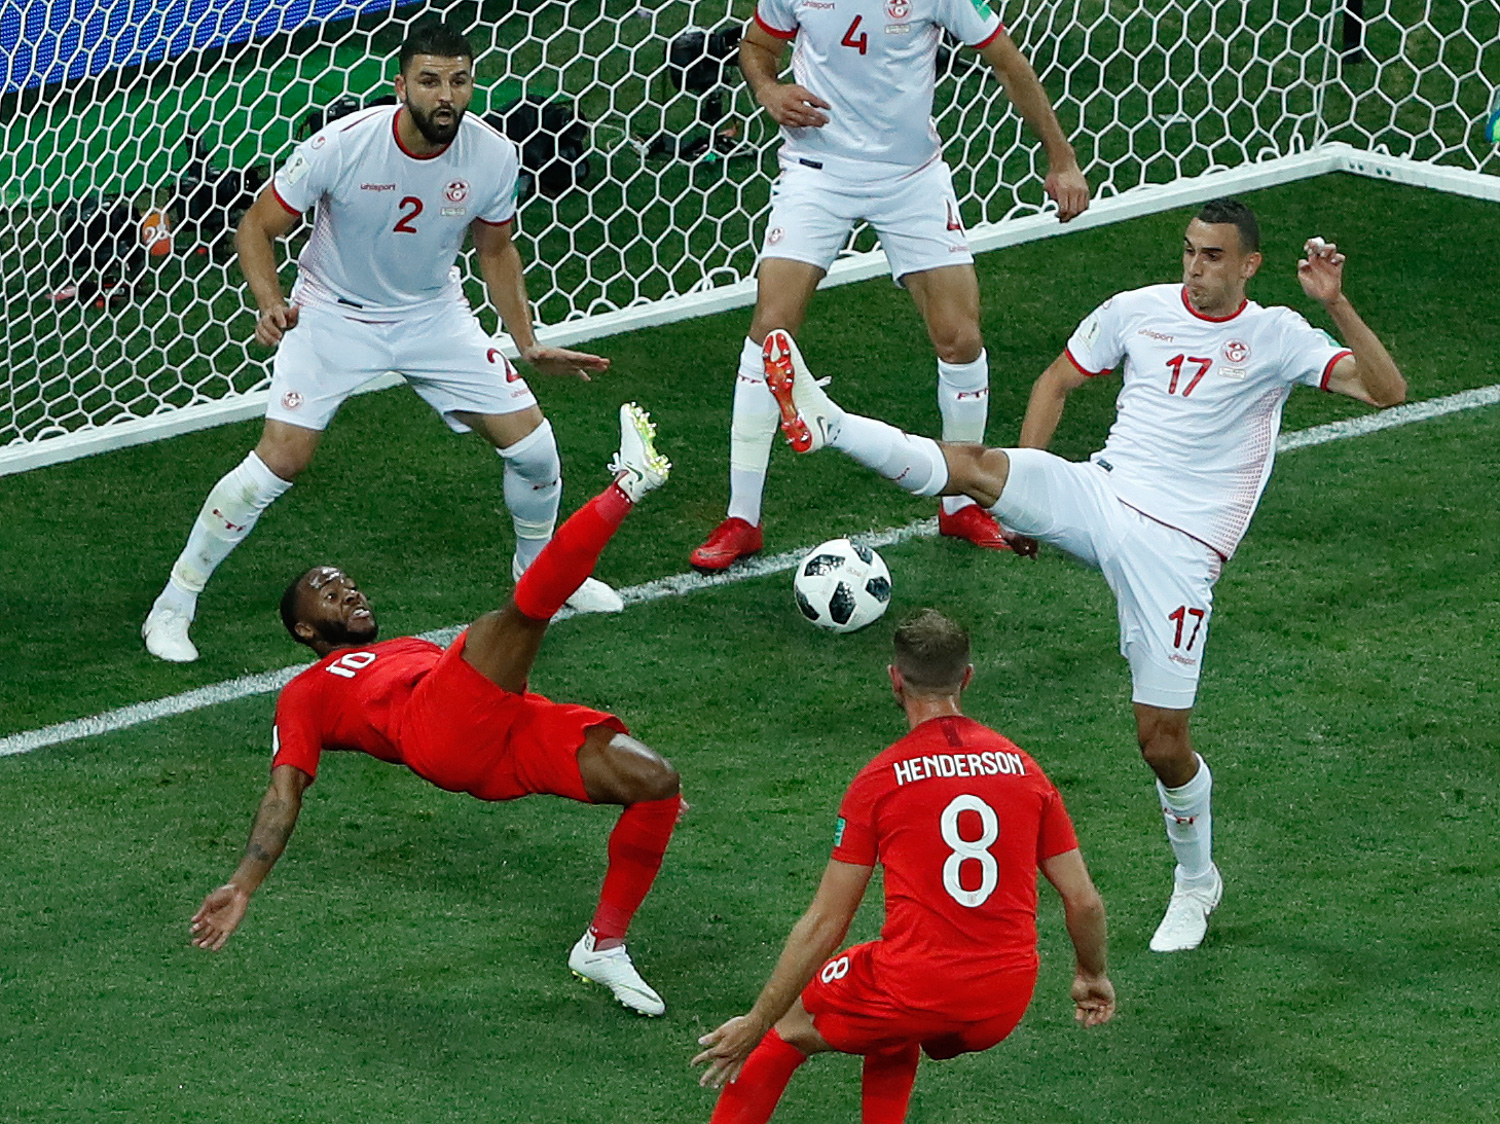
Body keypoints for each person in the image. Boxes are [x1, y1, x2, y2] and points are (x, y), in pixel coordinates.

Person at [760, 197, 1408, 951]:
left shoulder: (1276, 336)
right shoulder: (1137, 310)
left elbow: (1386, 390)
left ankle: (1197, 882)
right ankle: (828, 419)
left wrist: (1337, 305)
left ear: (1250, 265)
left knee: (1162, 743)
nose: (1196, 267)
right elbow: (1055, 383)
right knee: (976, 469)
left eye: (1214, 256)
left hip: (1179, 550)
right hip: (1102, 493)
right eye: (1191, 251)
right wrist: (1022, 493)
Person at [143, 20, 618, 664]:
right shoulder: (343, 147)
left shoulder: (493, 154)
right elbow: (257, 225)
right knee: (281, 460)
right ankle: (174, 604)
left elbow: (496, 246)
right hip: (332, 316)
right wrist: (271, 304)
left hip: (432, 316)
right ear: (401, 87)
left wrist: (527, 341)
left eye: (459, 81)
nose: (445, 96)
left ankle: (541, 581)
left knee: (534, 449)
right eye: (429, 81)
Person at [190, 403, 679, 1017]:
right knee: (512, 620)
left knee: (655, 782)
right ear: (304, 630)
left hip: (500, 731)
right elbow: (284, 794)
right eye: (327, 592)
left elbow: (494, 683)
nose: (348, 591)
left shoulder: (407, 647)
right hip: (434, 732)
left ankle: (602, 946)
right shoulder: (305, 692)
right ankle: (626, 487)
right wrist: (244, 882)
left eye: (348, 583)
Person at [688, 0, 1091, 573]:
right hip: (817, 172)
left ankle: (959, 502)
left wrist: (1062, 158)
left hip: (911, 178)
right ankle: (742, 519)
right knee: (770, 327)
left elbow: (1007, 61)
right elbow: (757, 46)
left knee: (960, 338)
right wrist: (768, 91)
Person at [693, 609, 1113, 1123]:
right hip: (1002, 1000)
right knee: (885, 1013)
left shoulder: (880, 780)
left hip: (916, 986)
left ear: (896, 679)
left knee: (788, 1026)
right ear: (967, 677)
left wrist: (756, 1022)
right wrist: (1091, 974)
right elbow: (1084, 901)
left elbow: (827, 920)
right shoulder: (1025, 769)